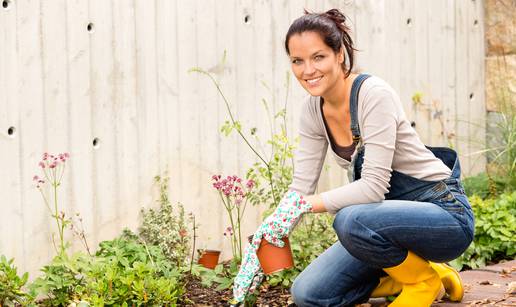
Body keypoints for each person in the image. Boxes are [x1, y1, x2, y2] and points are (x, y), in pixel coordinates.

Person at [231, 8, 474, 307]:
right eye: (297, 61)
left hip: (444, 215)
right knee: (309, 294)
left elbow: (372, 188)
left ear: (339, 55)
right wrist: (271, 230)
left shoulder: (373, 94)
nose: (308, 70)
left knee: (350, 219)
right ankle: (418, 272)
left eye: (318, 57)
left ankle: (422, 281)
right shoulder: (312, 111)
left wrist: (302, 207)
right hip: (382, 224)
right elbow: (300, 188)